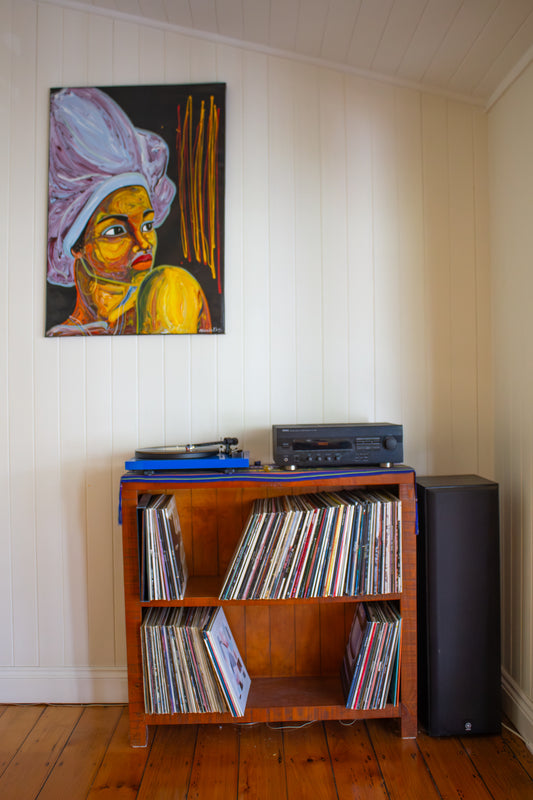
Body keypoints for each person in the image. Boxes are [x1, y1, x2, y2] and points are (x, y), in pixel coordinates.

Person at [46, 87, 211, 336]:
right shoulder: (61, 336)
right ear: (76, 245)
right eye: (116, 231)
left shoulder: (169, 291)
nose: (143, 243)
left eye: (147, 225)